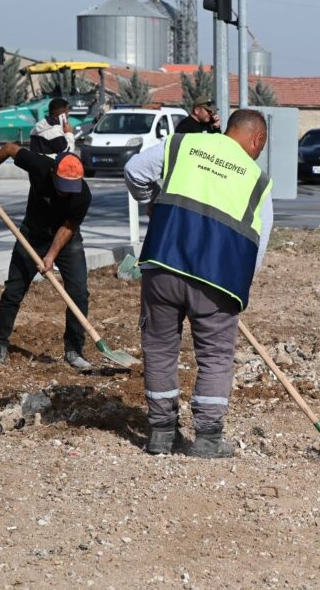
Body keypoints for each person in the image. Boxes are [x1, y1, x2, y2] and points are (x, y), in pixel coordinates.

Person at [124, 109, 274, 458]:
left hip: (163, 264)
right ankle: (207, 439)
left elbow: (134, 170)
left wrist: (151, 204)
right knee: (216, 357)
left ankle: (161, 433)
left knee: (160, 348)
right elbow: (259, 242)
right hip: (218, 282)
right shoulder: (257, 180)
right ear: (257, 140)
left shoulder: (181, 145)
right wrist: (239, 288)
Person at [0, 145, 94, 371]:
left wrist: (51, 256)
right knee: (14, 290)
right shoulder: (39, 165)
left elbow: (68, 227)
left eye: (71, 187)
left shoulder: (82, 195)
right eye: (63, 185)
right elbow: (8, 149)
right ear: (53, 172)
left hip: (66, 240)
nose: (67, 192)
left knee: (79, 293)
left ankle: (74, 350)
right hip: (31, 235)